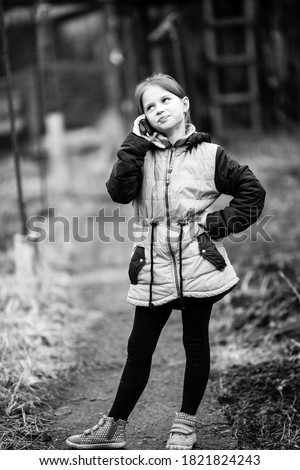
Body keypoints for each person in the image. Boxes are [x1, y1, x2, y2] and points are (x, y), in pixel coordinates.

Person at [66, 73, 266, 450]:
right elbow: (118, 193)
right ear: (142, 118)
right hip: (152, 263)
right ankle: (113, 427)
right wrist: (134, 143)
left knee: (195, 344)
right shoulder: (140, 153)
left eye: (165, 101)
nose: (159, 109)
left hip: (198, 261)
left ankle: (184, 426)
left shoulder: (211, 155)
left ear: (185, 104)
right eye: (149, 107)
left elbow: (252, 192)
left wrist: (219, 223)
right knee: (139, 347)